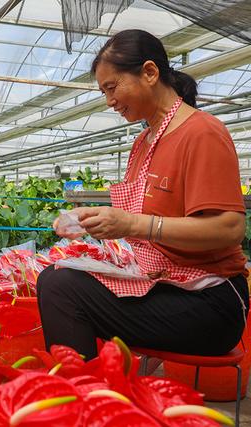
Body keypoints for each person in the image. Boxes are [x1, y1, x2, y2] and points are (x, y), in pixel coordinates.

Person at [38, 29, 248, 360]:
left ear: (149, 73)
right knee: (61, 273)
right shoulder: (142, 143)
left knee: (60, 288)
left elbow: (229, 229)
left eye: (112, 87)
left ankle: (86, 400)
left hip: (210, 301)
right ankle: (94, 393)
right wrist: (95, 220)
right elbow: (137, 219)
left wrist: (135, 225)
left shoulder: (202, 133)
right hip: (164, 282)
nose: (109, 101)